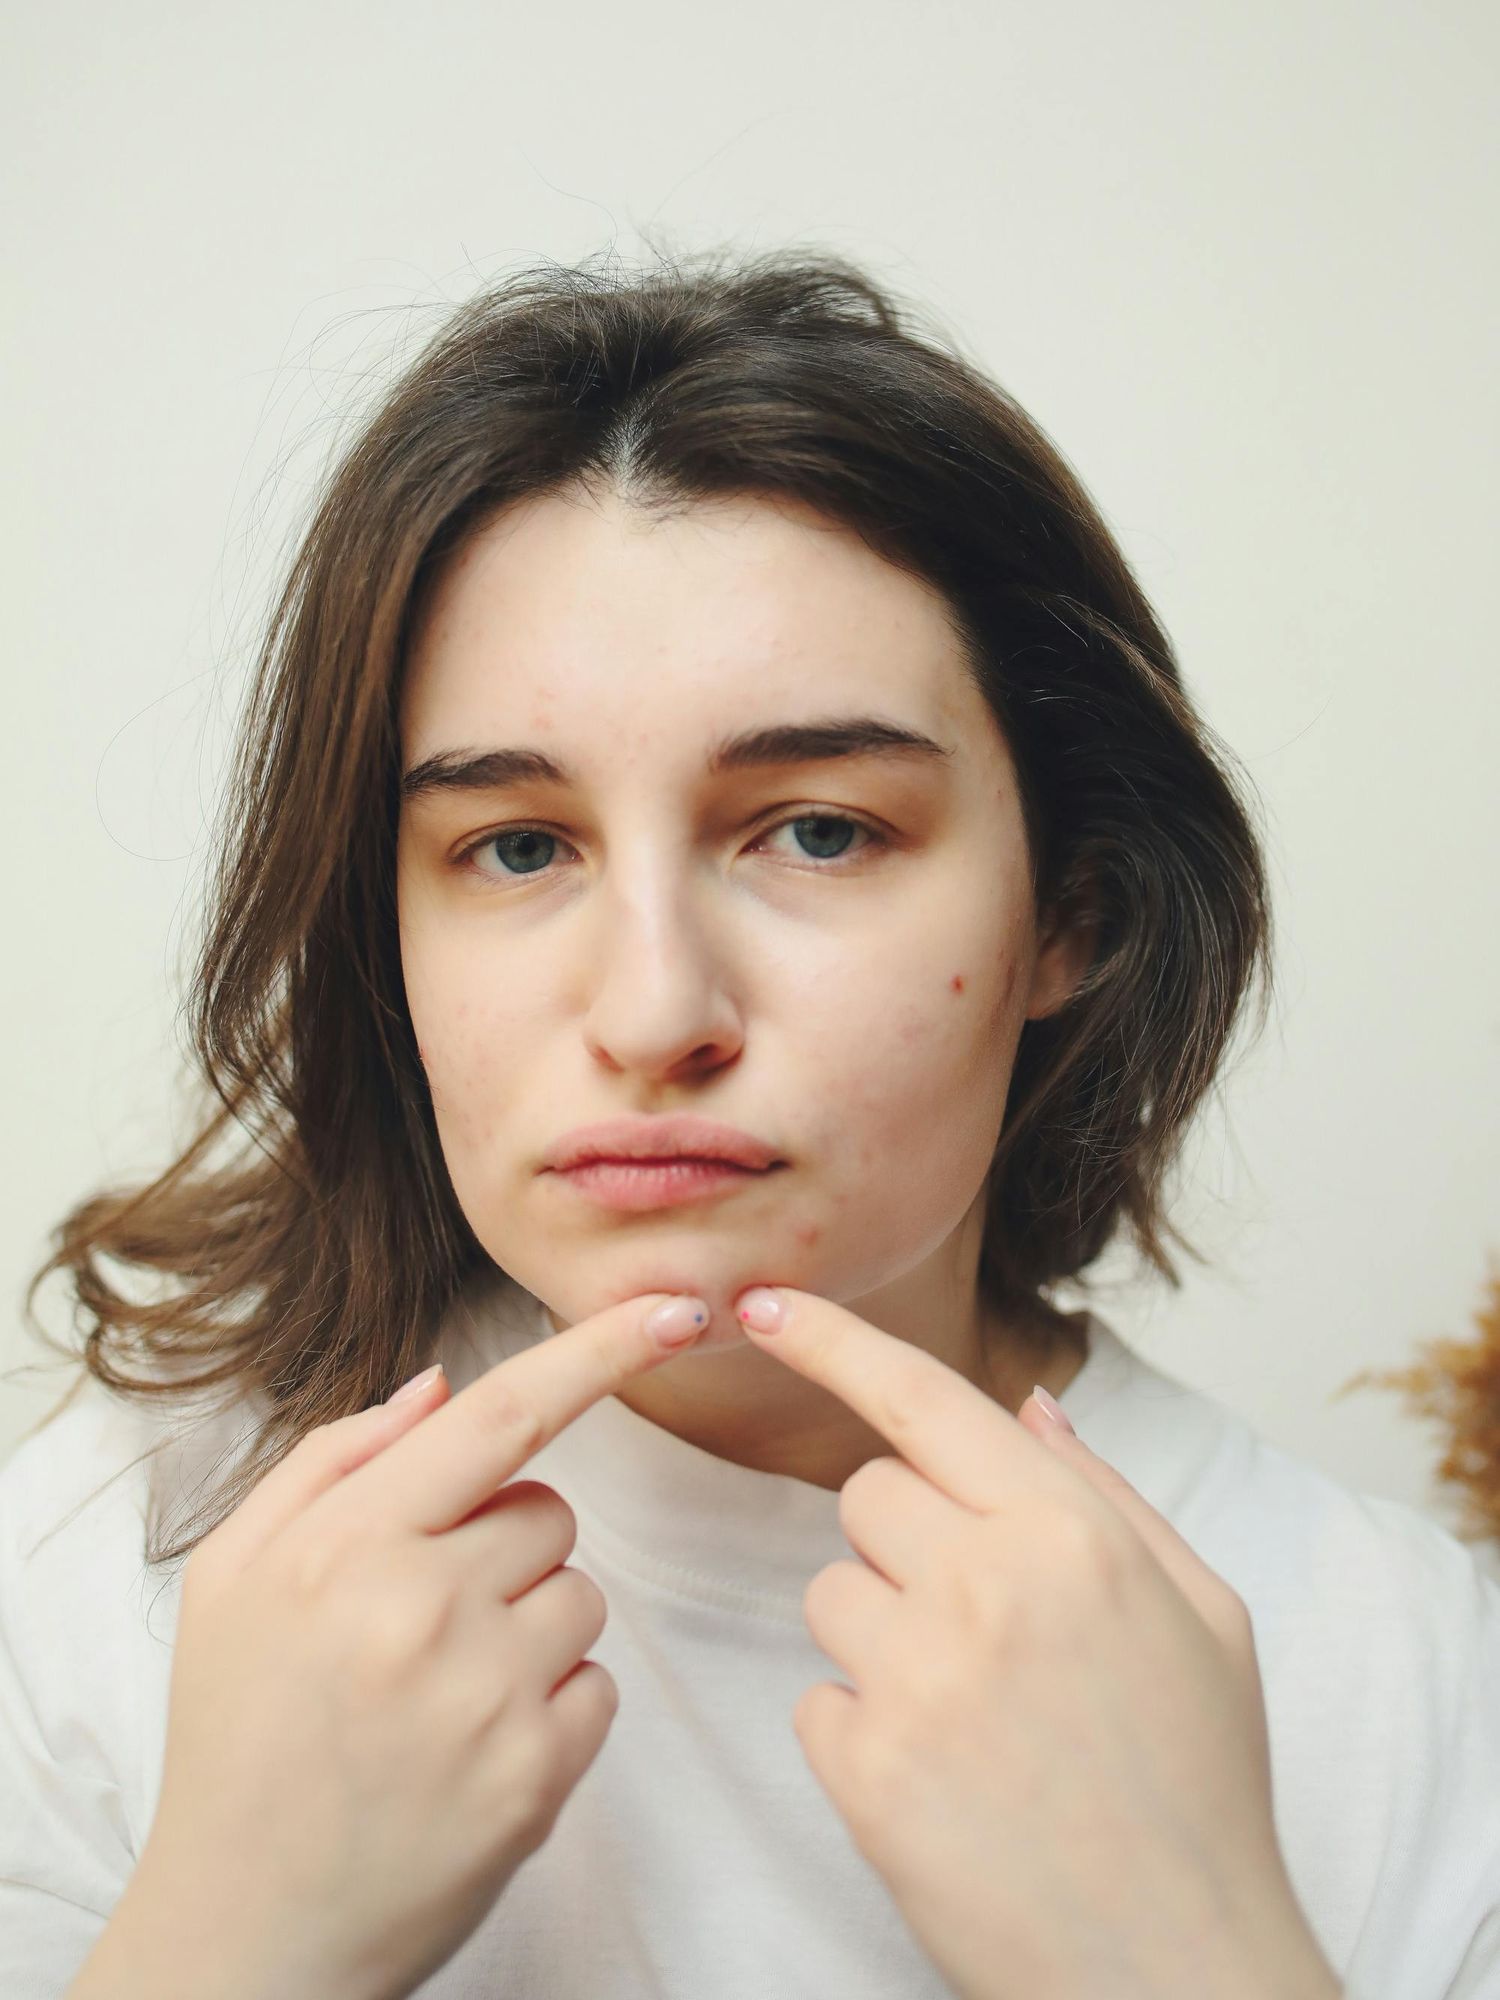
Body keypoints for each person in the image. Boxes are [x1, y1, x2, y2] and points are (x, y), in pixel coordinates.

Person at [2, 245, 1496, 1998]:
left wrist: (1193, 1959)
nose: (654, 1013)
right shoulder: (112, 1564)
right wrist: (237, 1937)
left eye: (818, 831)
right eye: (516, 848)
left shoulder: (1413, 1679)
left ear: (1072, 909)